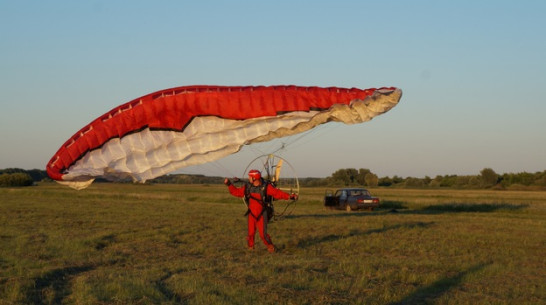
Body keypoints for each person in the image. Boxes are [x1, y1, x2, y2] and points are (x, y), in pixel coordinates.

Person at [224, 169, 297, 253]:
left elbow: (277, 193)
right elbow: (237, 192)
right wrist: (229, 184)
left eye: (250, 177)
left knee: (263, 235)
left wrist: (290, 196)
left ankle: (270, 247)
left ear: (254, 178)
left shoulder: (266, 187)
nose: (249, 178)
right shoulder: (248, 187)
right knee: (250, 233)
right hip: (251, 213)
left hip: (262, 213)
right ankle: (250, 248)